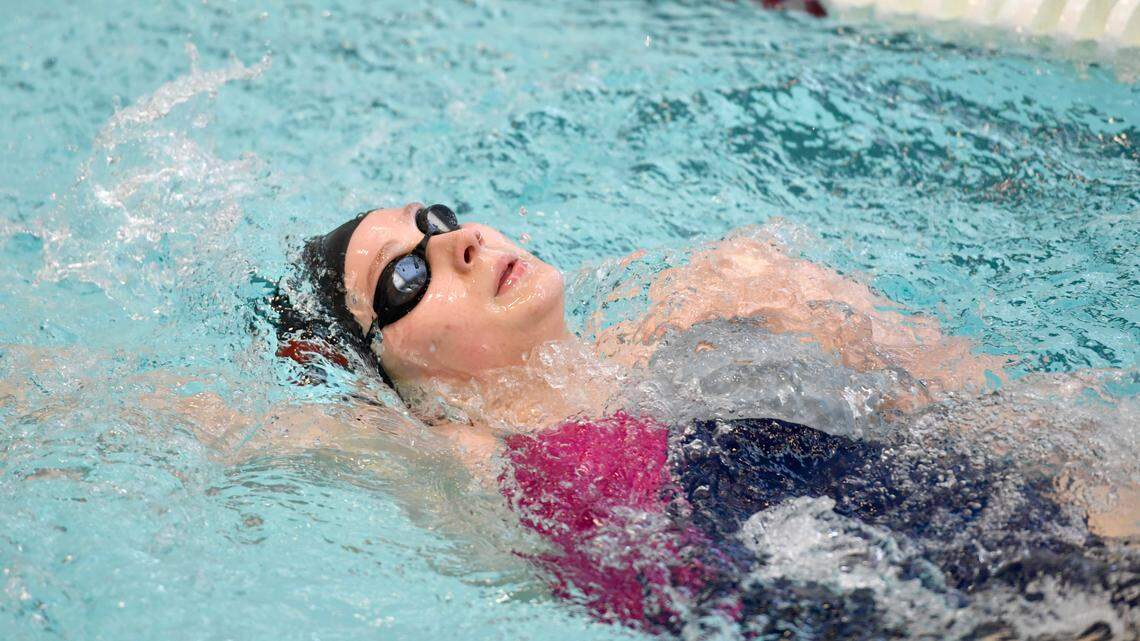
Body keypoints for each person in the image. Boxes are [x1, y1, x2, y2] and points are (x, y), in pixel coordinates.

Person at [272, 203, 1137, 638]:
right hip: (805, 591)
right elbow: (208, 423)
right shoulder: (463, 449)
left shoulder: (709, 301)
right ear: (385, 383)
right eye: (404, 279)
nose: (457, 243)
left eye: (440, 220)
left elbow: (993, 411)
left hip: (922, 491)